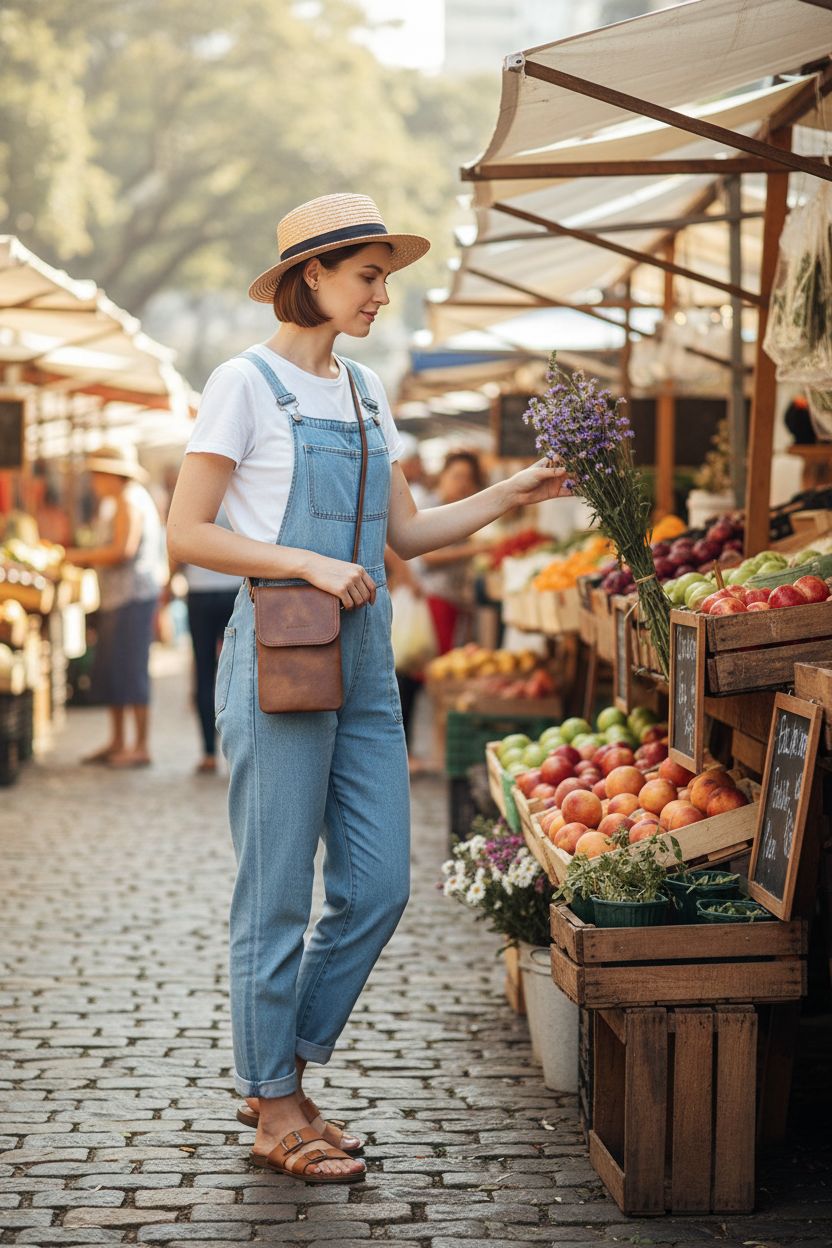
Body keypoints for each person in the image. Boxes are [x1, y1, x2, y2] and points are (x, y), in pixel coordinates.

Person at [166, 193, 570, 1185]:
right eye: (367, 275)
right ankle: (274, 1106)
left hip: (366, 658)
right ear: (313, 276)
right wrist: (302, 562)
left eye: (384, 277)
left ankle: (281, 1071)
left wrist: (506, 496)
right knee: (273, 900)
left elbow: (411, 533)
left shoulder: (365, 391)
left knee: (381, 885)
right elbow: (186, 533)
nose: (382, 295)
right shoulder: (243, 384)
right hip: (280, 651)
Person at [65, 447, 163, 767]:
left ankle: (141, 746)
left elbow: (123, 549)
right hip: (117, 597)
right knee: (115, 671)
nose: (93, 481)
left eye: (97, 474)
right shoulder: (116, 502)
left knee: (131, 670)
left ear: (110, 475)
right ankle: (119, 741)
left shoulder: (130, 501)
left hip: (132, 597)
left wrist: (78, 556)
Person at [181, 507, 242, 774]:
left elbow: (179, 543)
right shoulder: (238, 495)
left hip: (200, 591)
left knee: (205, 672)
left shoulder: (197, 495)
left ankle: (208, 753)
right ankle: (237, 754)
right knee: (240, 672)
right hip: (235, 587)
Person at [419, 450, 488, 653]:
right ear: (443, 475)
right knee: (439, 659)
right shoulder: (427, 507)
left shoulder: (461, 509)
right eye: (457, 476)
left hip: (459, 597)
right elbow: (427, 557)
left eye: (468, 478)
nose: (463, 483)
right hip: (436, 596)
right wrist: (474, 550)